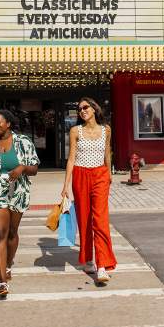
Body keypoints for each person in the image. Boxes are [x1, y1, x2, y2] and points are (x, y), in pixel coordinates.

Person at [0, 110, 40, 297]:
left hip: (18, 191)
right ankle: (2, 281)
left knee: (12, 232)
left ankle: (9, 263)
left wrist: (22, 168)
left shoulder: (24, 142)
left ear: (8, 124)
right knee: (0, 234)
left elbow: (35, 169)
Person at [61, 97, 117, 283]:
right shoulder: (75, 130)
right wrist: (65, 185)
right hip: (80, 175)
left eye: (85, 107)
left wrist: (109, 173)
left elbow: (107, 152)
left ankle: (102, 266)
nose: (82, 111)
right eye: (79, 109)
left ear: (94, 109)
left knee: (100, 220)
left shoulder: (106, 130)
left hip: (100, 175)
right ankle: (87, 259)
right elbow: (71, 158)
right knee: (84, 218)